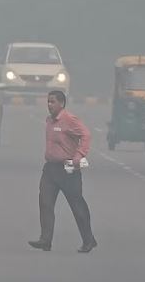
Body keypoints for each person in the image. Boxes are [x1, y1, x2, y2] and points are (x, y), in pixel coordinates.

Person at [29, 91, 98, 253]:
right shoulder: (49, 121)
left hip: (68, 170)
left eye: (52, 102)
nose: (49, 105)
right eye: (48, 101)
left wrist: (79, 155)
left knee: (77, 205)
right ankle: (45, 240)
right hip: (50, 169)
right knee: (45, 203)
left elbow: (86, 135)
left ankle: (89, 240)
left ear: (62, 103)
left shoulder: (69, 120)